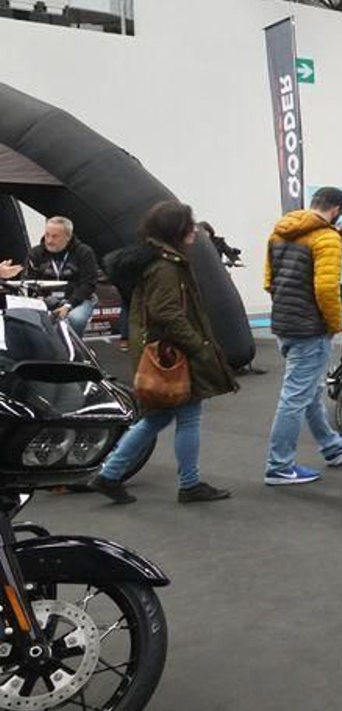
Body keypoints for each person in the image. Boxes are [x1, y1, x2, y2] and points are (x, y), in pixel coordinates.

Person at [89, 201, 235, 504]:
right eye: (189, 225)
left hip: (157, 352)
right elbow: (167, 312)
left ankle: (109, 474)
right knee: (189, 417)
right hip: (174, 354)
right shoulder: (167, 267)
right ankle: (189, 483)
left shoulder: (155, 261)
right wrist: (198, 346)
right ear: (176, 231)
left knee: (156, 418)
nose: (194, 230)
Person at [262, 187, 342, 486]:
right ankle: (278, 466)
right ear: (334, 210)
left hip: (284, 324)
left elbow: (269, 281)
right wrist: (334, 324)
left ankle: (332, 446)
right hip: (310, 329)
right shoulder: (327, 237)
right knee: (294, 397)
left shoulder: (279, 232)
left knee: (309, 390)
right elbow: (326, 289)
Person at [22, 216, 101, 336]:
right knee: (28, 319)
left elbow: (88, 284)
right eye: (47, 235)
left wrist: (69, 305)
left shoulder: (84, 252)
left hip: (78, 299)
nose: (49, 240)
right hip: (45, 299)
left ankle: (73, 351)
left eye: (55, 236)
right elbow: (28, 280)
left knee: (76, 319)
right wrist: (38, 298)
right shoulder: (35, 253)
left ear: (68, 237)